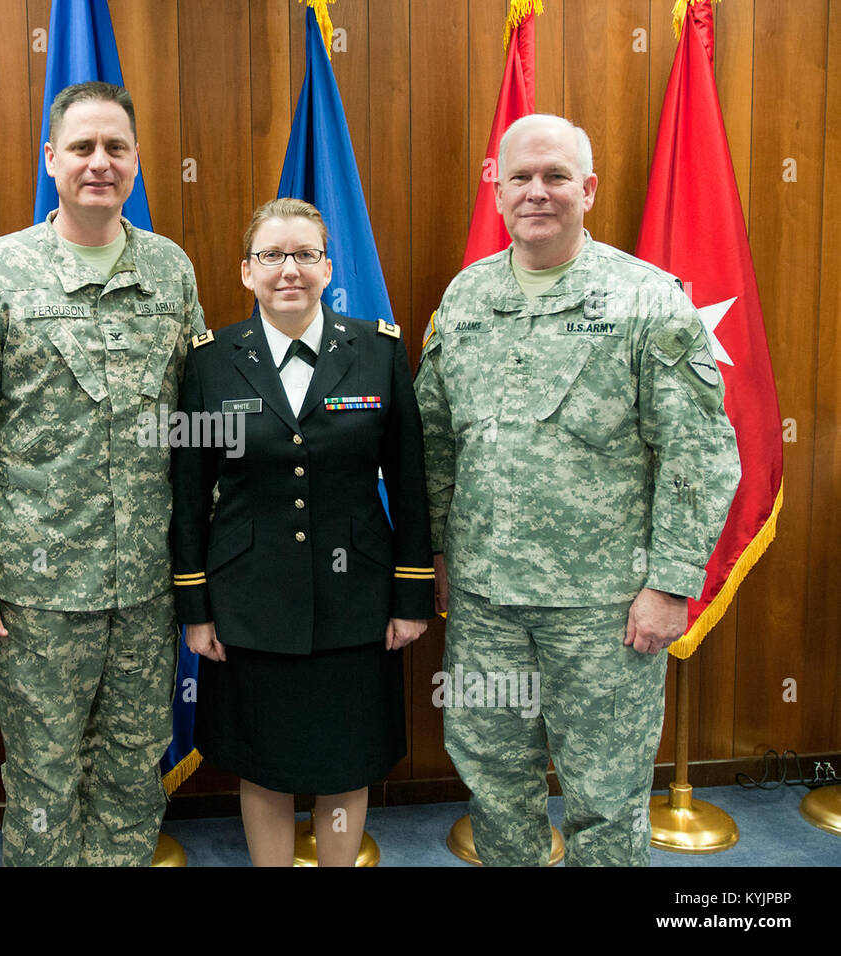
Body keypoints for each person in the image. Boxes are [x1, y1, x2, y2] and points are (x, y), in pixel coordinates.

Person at [414, 114, 741, 866]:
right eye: (520, 176)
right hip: (487, 604)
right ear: (496, 189)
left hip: (604, 611)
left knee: (606, 799)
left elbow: (699, 452)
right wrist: (434, 549)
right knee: (495, 786)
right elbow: (434, 439)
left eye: (556, 177)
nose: (538, 192)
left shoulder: (647, 300)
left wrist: (670, 584)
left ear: (587, 190)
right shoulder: (466, 298)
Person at [0, 81, 204, 866]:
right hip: (36, 596)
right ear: (52, 160)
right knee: (42, 784)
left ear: (136, 162)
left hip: (146, 585)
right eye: (82, 147)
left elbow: (198, 420)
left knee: (136, 777)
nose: (99, 163)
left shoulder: (171, 272)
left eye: (115, 148)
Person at [171, 198, 434, 866]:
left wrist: (411, 595)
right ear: (245, 271)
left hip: (356, 598)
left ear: (327, 267)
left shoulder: (377, 351)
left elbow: (408, 478)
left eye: (304, 254)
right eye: (272, 256)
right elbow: (187, 489)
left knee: (347, 761)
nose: (289, 269)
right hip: (249, 600)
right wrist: (195, 608)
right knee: (263, 762)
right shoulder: (208, 362)